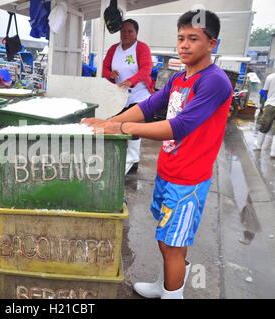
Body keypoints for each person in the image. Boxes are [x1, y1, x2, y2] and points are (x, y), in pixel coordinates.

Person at [82, 9, 232, 299]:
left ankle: (173, 294)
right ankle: (164, 285)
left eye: (193, 39)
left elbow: (181, 125)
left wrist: (124, 128)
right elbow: (150, 105)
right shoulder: (179, 78)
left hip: (188, 179)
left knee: (173, 245)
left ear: (212, 44)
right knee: (167, 239)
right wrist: (110, 122)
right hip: (168, 170)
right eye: (180, 38)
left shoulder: (214, 81)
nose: (184, 45)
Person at [103, 19, 154, 173]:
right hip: (119, 95)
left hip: (139, 94)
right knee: (116, 126)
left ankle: (133, 159)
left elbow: (146, 69)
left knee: (133, 127)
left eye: (130, 31)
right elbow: (104, 68)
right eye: (123, 31)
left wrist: (131, 81)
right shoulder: (113, 49)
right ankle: (119, 156)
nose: (126, 34)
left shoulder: (142, 48)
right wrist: (110, 75)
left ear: (136, 33)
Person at [254, 72, 275, 158]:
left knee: (264, 126)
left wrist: (262, 105)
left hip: (270, 105)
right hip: (270, 104)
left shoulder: (270, 77)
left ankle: (258, 145)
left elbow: (263, 92)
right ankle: (273, 153)